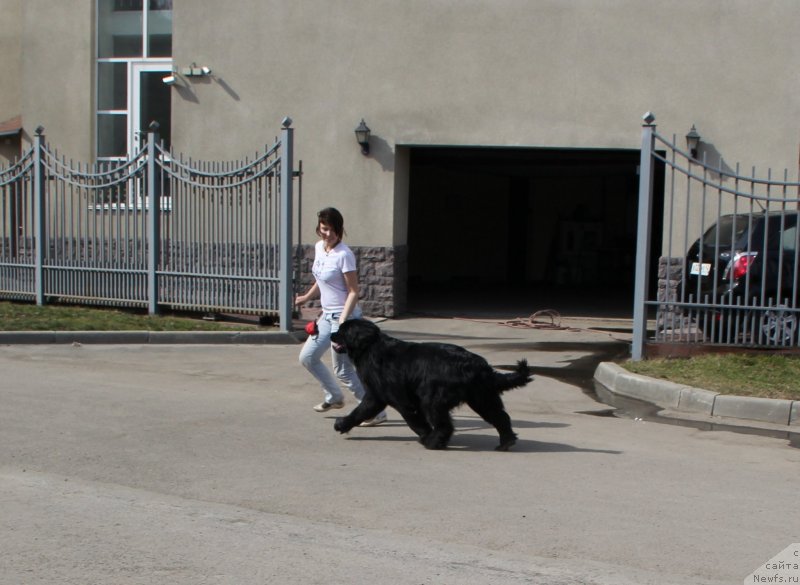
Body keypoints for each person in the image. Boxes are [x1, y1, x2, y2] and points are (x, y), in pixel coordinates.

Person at [296, 207, 387, 426]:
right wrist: (307, 296)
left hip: (344, 317)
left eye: (332, 230)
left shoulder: (344, 255)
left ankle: (375, 412)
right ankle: (334, 397)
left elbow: (354, 291)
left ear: (339, 229)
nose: (328, 234)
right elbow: (322, 278)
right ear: (319, 227)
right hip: (326, 317)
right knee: (307, 357)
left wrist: (343, 321)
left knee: (343, 370)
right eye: (324, 228)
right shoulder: (319, 247)